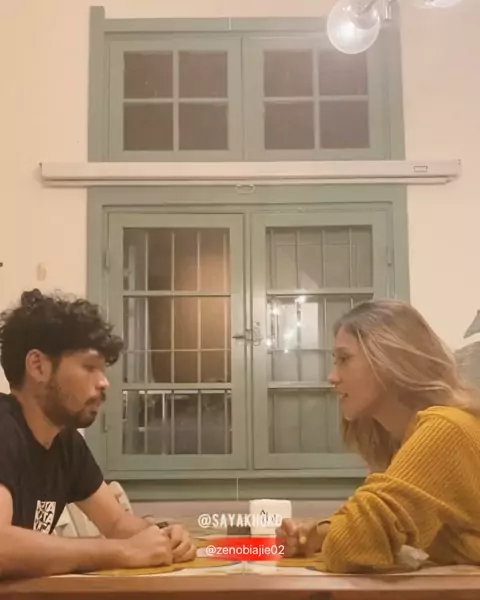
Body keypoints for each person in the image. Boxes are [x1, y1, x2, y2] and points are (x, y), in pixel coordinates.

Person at [0, 289, 196, 579]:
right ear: (38, 366)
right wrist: (124, 551)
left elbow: (117, 523)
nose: (104, 382)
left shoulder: (65, 443)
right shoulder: (4, 429)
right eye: (89, 367)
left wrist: (164, 536)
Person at [277, 299, 480, 573]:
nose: (332, 376)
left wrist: (335, 535)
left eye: (344, 359)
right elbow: (370, 534)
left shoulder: (444, 430)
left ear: (389, 360)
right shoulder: (407, 438)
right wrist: (318, 535)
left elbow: (352, 547)